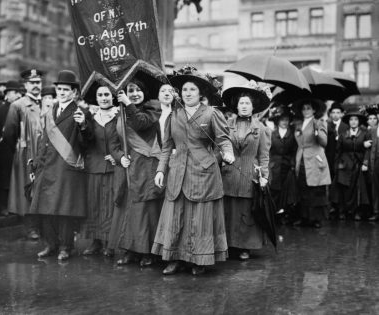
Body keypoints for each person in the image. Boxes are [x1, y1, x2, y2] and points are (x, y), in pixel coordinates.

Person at [153, 66, 235, 275]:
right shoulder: (174, 115)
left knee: (199, 220)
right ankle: (174, 259)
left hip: (204, 175)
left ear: (200, 94)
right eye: (185, 90)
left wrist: (225, 154)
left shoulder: (211, 113)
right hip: (177, 172)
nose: (187, 93)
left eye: (192, 90)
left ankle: (200, 260)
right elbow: (166, 146)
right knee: (176, 217)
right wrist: (161, 170)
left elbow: (223, 140)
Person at [29, 70, 87, 261]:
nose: (61, 92)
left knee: (64, 212)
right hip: (47, 168)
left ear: (74, 93)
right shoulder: (50, 112)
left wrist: (84, 126)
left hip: (66, 169)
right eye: (59, 89)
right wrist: (36, 164)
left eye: (66, 89)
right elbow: (43, 141)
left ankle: (66, 247)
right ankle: (50, 244)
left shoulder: (80, 113)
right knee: (45, 209)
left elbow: (87, 143)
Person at [113, 76, 164, 267]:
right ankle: (131, 250)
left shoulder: (153, 108)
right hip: (129, 166)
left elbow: (141, 123)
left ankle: (148, 251)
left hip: (148, 166)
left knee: (148, 210)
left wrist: (127, 104)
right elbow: (113, 143)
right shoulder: (121, 112)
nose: (134, 94)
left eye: (137, 90)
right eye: (130, 91)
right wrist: (119, 157)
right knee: (132, 210)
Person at [220, 80, 271, 260]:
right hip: (230, 173)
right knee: (229, 210)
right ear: (236, 105)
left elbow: (264, 156)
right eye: (241, 103)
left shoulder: (261, 129)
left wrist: (264, 176)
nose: (243, 106)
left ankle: (245, 247)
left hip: (249, 174)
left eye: (247, 103)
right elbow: (219, 145)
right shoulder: (226, 124)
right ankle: (227, 245)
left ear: (253, 106)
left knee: (246, 212)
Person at [76, 85, 121, 256]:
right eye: (100, 95)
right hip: (94, 166)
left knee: (109, 204)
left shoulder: (119, 116)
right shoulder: (91, 117)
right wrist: (82, 126)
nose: (103, 98)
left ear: (112, 96)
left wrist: (117, 156)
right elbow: (85, 141)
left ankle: (109, 242)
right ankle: (95, 241)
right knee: (94, 204)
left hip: (112, 167)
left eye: (107, 95)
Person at [3, 69, 45, 240]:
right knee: (28, 190)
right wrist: (20, 150)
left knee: (44, 188)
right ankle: (31, 227)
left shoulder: (49, 103)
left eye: (38, 82)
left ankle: (45, 226)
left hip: (47, 154)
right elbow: (9, 134)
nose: (35, 86)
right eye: (32, 82)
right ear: (26, 85)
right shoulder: (18, 105)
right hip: (27, 152)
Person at [293, 98, 330, 228]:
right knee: (303, 188)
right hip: (302, 158)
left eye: (308, 108)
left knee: (315, 189)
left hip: (315, 159)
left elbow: (324, 142)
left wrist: (317, 132)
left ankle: (316, 219)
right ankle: (305, 217)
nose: (306, 111)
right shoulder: (299, 124)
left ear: (314, 110)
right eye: (304, 108)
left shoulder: (319, 122)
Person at [0, 80, 23, 216]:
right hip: (3, 148)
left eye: (17, 93)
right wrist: (0, 137)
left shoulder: (22, 109)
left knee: (17, 177)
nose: (16, 95)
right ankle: (2, 206)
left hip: (19, 146)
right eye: (13, 93)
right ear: (7, 95)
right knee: (4, 177)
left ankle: (15, 205)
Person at [334, 110, 370, 220]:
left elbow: (367, 151)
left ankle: (356, 211)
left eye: (356, 120)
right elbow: (338, 151)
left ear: (359, 122)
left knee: (357, 188)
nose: (353, 122)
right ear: (348, 122)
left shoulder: (364, 134)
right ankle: (343, 210)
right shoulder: (343, 135)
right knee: (343, 187)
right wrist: (337, 164)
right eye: (351, 120)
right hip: (345, 164)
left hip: (358, 164)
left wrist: (365, 163)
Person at [268, 105, 297, 223]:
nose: (285, 122)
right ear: (277, 121)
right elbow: (268, 150)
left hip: (287, 166)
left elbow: (295, 150)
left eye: (286, 120)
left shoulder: (293, 134)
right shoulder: (272, 134)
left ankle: (284, 214)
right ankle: (273, 215)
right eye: (282, 120)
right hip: (274, 166)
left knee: (286, 191)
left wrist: (292, 163)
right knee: (274, 190)